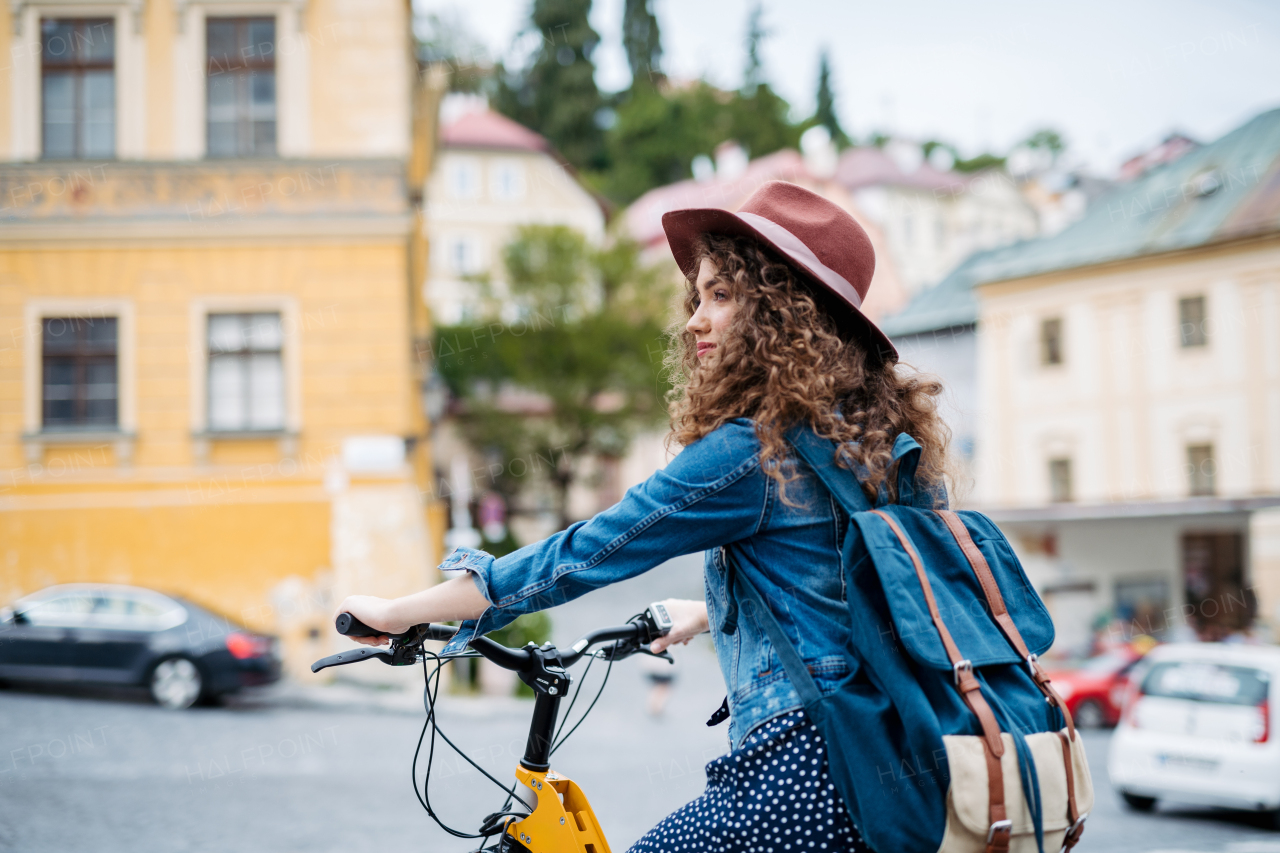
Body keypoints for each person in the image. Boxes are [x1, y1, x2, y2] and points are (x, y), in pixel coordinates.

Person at [337, 180, 951, 853]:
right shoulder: (880, 444)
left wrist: (405, 610)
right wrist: (710, 609)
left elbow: (586, 550)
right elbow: (856, 585)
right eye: (700, 296)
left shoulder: (753, 451)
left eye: (722, 294)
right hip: (889, 772)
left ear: (784, 313)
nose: (695, 319)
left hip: (797, 773)